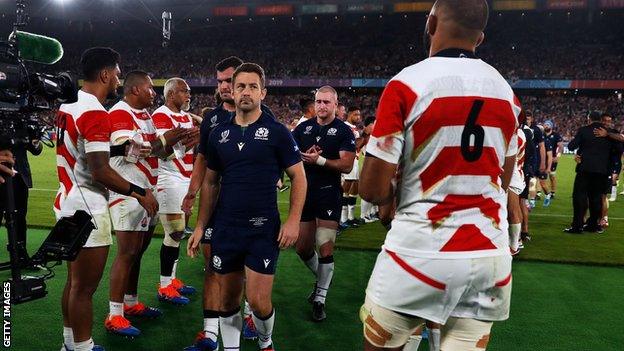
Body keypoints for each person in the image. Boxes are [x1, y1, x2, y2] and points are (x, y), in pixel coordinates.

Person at [358, 1, 519, 349]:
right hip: (489, 256)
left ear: (430, 23)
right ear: (481, 37)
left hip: (419, 251)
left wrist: (393, 192)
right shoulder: (506, 92)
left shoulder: (406, 84)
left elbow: (370, 189)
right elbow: (503, 180)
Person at [187, 63, 306, 351]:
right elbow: (211, 183)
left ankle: (266, 341)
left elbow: (298, 177)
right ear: (232, 90)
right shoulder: (218, 135)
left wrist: (292, 221)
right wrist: (201, 226)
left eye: (253, 86)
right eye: (240, 86)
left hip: (263, 229)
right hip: (227, 228)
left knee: (257, 301)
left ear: (263, 92)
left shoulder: (277, 132)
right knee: (227, 300)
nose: (246, 92)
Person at [55, 47, 158, 351]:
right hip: (89, 207)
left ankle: (70, 344)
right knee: (84, 289)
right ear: (104, 74)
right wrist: (139, 192)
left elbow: (85, 154)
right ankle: (83, 346)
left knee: (74, 284)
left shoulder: (69, 104)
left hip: (68, 201)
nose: (118, 78)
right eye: (116, 72)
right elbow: (100, 172)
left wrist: (119, 151)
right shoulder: (96, 112)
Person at [182, 56, 260, 351]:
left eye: (230, 80)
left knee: (245, 271)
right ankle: (210, 333)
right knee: (213, 266)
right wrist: (191, 192)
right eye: (221, 81)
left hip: (249, 208)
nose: (225, 86)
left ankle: (250, 314)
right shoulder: (213, 119)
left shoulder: (260, 119)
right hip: (215, 205)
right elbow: (202, 159)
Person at [106, 70, 190, 337]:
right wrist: (165, 139)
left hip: (147, 194)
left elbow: (157, 151)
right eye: (150, 89)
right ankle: (114, 314)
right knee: (126, 253)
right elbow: (129, 151)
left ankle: (130, 304)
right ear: (134, 91)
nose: (154, 93)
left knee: (137, 253)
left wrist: (177, 140)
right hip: (128, 193)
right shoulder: (120, 112)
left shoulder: (145, 117)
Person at [292, 85, 356, 322]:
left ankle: (320, 298)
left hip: (329, 192)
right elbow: (288, 154)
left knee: (324, 243)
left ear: (335, 104)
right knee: (302, 248)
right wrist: (302, 156)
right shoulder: (303, 128)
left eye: (326, 102)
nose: (321, 106)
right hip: (305, 192)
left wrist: (318, 160)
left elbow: (347, 164)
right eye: (318, 101)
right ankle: (323, 280)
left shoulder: (344, 131)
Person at [152, 78, 200, 305]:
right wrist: (192, 139)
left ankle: (172, 279)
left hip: (186, 178)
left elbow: (188, 141)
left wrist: (194, 136)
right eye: (184, 91)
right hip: (169, 178)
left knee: (179, 233)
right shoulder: (161, 115)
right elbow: (163, 151)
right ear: (171, 94)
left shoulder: (186, 117)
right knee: (174, 232)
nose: (189, 95)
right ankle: (164, 286)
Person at [565, 111, 616, 234]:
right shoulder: (608, 133)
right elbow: (617, 149)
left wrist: (580, 149)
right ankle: (593, 225)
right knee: (596, 198)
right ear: (600, 119)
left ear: (589, 119)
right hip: (601, 171)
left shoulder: (584, 130)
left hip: (585, 169)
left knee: (579, 197)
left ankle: (577, 226)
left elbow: (571, 146)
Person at [2, 135, 43, 267]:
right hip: (2, 174)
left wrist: (36, 143)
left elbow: (36, 150)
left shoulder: (22, 125)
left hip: (20, 177)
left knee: (20, 217)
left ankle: (21, 255)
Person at [340, 107, 364, 228]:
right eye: (356, 115)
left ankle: (350, 217)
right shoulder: (345, 127)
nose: (358, 117)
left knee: (354, 188)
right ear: (349, 114)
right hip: (348, 160)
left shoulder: (355, 129)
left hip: (355, 161)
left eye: (359, 115)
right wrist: (362, 140)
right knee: (346, 188)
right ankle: (342, 219)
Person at [525, 112, 546, 209]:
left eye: (528, 119)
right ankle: (524, 200)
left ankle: (532, 201)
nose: (527, 121)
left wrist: (542, 162)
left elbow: (542, 146)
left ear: (532, 119)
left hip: (533, 159)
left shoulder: (536, 130)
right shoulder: (521, 128)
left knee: (532, 179)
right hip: (522, 158)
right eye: (526, 119)